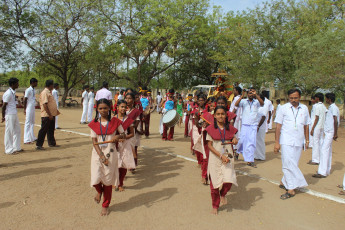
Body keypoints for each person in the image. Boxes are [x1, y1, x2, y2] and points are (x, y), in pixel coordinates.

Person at [88, 98, 125, 216]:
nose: (103, 110)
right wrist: (101, 156)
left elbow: (123, 134)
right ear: (97, 109)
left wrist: (117, 137)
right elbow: (94, 141)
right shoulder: (94, 123)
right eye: (100, 108)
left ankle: (105, 205)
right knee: (95, 179)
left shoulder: (115, 122)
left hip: (111, 153)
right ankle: (99, 191)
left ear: (109, 108)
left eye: (105, 108)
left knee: (108, 181)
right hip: (97, 153)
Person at [274, 88, 309, 199]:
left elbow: (306, 125)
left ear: (300, 97)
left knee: (293, 163)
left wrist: (307, 140)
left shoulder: (304, 108)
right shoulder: (283, 108)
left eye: (296, 98)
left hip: (299, 140)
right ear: (288, 98)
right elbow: (278, 126)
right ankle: (291, 189)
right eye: (291, 98)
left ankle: (284, 181)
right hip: (286, 140)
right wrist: (276, 142)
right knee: (287, 163)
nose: (293, 100)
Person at [206, 106, 238, 215]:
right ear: (214, 116)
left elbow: (234, 138)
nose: (220, 116)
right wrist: (220, 156)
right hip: (215, 157)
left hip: (228, 157)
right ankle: (215, 205)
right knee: (214, 184)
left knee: (228, 180)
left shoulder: (230, 128)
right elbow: (209, 146)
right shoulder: (210, 128)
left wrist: (234, 140)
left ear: (226, 115)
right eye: (218, 114)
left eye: (222, 114)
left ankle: (223, 194)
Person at [235, 88, 264, 167]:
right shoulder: (244, 101)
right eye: (250, 93)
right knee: (242, 141)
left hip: (253, 125)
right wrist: (242, 95)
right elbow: (236, 105)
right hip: (245, 124)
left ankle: (250, 160)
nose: (251, 94)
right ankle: (237, 152)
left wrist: (256, 95)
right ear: (247, 94)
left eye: (252, 93)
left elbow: (262, 104)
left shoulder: (256, 102)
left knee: (251, 142)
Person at [313, 93, 339, 178]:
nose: (326, 100)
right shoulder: (331, 107)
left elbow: (335, 120)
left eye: (326, 99)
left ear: (329, 99)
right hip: (328, 131)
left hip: (330, 131)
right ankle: (327, 170)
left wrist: (335, 133)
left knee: (324, 150)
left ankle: (322, 172)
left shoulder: (334, 108)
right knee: (328, 151)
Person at [116, 100, 135, 191]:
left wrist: (124, 138)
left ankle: (120, 183)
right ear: (117, 107)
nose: (123, 108)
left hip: (125, 143)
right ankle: (115, 182)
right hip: (114, 144)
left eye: (125, 107)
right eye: (121, 107)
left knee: (123, 164)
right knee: (115, 164)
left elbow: (132, 133)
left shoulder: (128, 120)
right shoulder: (113, 119)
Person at [36, 80, 60, 150]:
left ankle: (52, 143)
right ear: (50, 85)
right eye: (52, 85)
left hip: (52, 114)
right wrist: (49, 114)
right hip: (46, 114)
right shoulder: (44, 92)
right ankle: (39, 145)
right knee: (43, 129)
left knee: (51, 129)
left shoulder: (49, 92)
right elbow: (44, 104)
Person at [1, 78, 22, 154]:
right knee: (9, 132)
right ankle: (8, 149)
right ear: (13, 84)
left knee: (17, 130)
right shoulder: (8, 93)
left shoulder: (13, 92)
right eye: (17, 83)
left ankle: (16, 147)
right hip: (9, 114)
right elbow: (3, 106)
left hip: (14, 113)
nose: (18, 84)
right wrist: (3, 116)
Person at [308, 93, 326, 165]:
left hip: (317, 126)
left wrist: (312, 128)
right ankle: (320, 158)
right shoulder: (324, 106)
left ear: (317, 98)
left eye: (315, 98)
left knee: (315, 143)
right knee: (321, 142)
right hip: (322, 126)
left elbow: (316, 117)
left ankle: (315, 159)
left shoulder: (317, 106)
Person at [125, 92, 142, 167]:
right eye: (126, 98)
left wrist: (130, 127)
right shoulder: (122, 108)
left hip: (132, 133)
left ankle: (133, 165)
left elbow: (137, 123)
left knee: (133, 148)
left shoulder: (136, 111)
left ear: (133, 100)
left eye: (130, 98)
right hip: (122, 132)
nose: (128, 100)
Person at [254, 94, 269, 161]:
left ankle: (261, 156)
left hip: (260, 126)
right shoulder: (257, 106)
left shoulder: (264, 106)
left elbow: (263, 117)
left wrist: (258, 126)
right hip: (255, 125)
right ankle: (256, 155)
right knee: (256, 141)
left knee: (260, 141)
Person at [24, 78, 38, 144]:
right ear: (32, 83)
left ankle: (32, 136)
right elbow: (25, 99)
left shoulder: (33, 90)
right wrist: (24, 109)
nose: (36, 84)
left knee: (32, 122)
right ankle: (26, 139)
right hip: (29, 107)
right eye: (36, 83)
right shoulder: (28, 90)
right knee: (28, 122)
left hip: (32, 107)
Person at [229, 86, 242, 151]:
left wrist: (230, 116)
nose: (233, 91)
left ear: (237, 91)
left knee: (235, 131)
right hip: (237, 117)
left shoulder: (237, 98)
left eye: (234, 90)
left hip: (235, 117)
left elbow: (235, 108)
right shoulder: (238, 98)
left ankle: (236, 147)